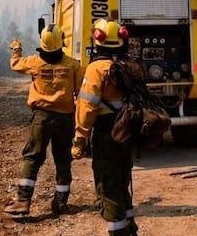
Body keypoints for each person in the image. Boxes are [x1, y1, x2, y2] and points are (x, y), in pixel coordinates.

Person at [4, 27, 83, 218]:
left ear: (43, 43)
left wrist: (16, 48)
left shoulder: (34, 62)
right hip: (65, 119)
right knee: (63, 159)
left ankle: (23, 202)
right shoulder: (73, 65)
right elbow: (80, 92)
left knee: (32, 158)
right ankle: (61, 203)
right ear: (61, 42)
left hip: (41, 118)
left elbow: (15, 64)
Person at [72, 19, 138, 235]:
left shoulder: (96, 69)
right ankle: (130, 228)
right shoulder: (129, 65)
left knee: (108, 187)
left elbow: (86, 107)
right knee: (121, 181)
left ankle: (117, 231)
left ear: (98, 40)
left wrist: (80, 139)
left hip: (106, 134)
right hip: (127, 132)